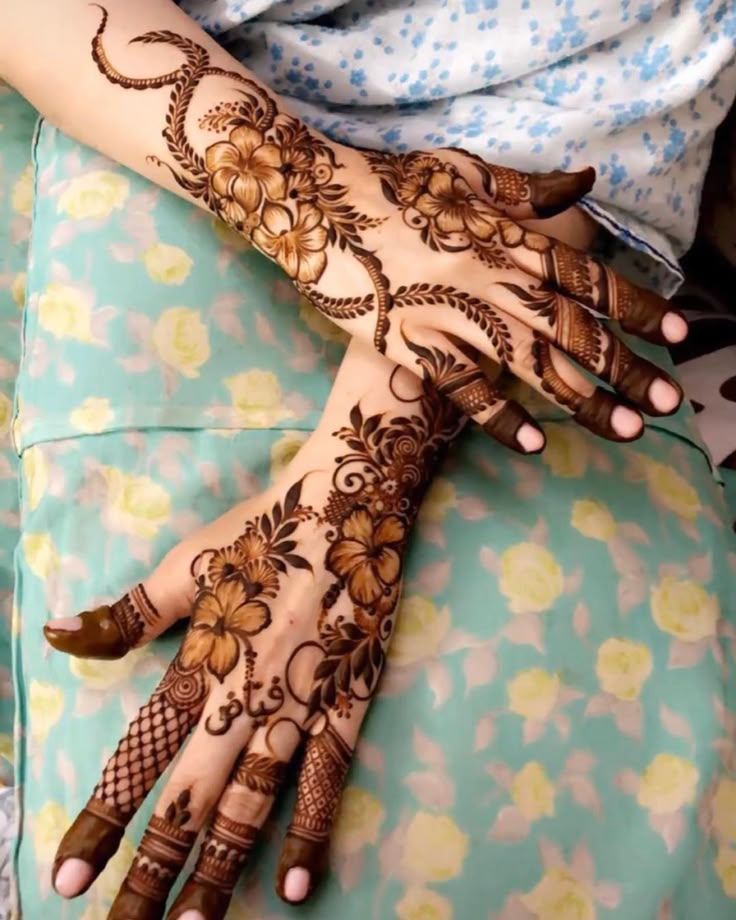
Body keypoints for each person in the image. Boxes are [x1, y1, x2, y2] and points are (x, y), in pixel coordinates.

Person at [1, 2, 734, 919]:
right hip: (129, 142)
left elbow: (621, 88)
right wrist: (341, 222)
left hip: (528, 268)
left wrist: (360, 469)